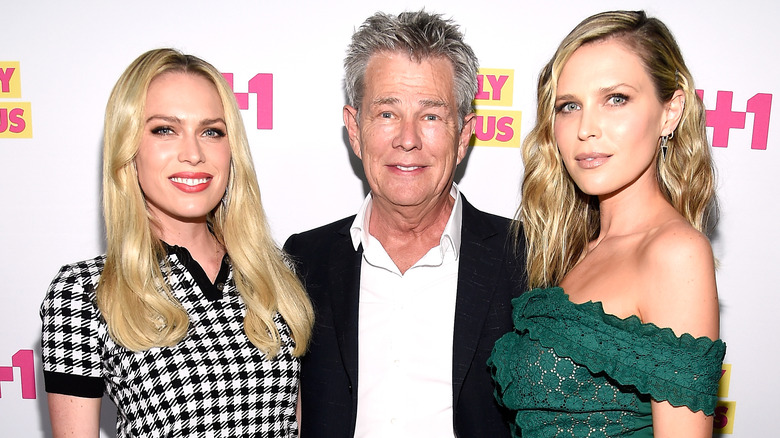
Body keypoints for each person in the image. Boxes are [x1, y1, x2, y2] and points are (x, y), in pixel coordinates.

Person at [40, 48, 314, 437]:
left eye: (211, 131)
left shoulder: (275, 274)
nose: (193, 153)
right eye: (165, 129)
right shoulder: (85, 292)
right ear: (128, 147)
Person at [283, 10, 525, 438]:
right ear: (355, 129)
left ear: (464, 133)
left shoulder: (525, 258)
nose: (408, 139)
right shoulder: (304, 261)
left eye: (431, 116)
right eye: (387, 114)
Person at [488, 10, 726, 437]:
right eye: (569, 106)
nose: (586, 129)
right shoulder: (574, 250)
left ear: (670, 112)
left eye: (616, 98)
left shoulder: (674, 253)